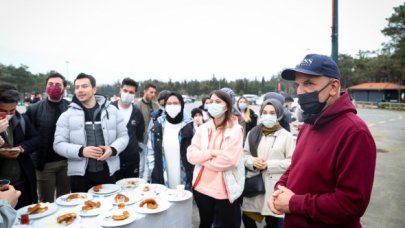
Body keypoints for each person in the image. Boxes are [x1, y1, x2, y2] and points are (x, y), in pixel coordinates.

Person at [268, 54, 376, 227]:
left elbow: (352, 204)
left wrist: (293, 203)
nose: (300, 91)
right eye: (298, 84)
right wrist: (279, 189)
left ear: (333, 87)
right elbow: (296, 166)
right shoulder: (309, 125)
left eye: (309, 83)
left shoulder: (355, 133)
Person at [53, 73, 129, 193]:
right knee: (82, 209)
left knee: (108, 208)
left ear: (94, 89)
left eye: (84, 86)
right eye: (77, 87)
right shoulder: (66, 115)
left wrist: (113, 149)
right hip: (80, 175)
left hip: (107, 171)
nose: (80, 90)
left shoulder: (112, 111)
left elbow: (124, 136)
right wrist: (81, 151)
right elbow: (58, 144)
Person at [187, 90, 245, 228]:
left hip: (225, 190)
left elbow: (230, 161)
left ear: (227, 106)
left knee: (227, 225)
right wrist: (213, 152)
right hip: (202, 188)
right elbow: (190, 155)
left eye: (218, 102)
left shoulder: (236, 130)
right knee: (205, 223)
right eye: (211, 101)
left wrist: (202, 158)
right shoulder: (203, 128)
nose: (213, 104)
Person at [241, 98, 295, 228]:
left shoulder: (286, 136)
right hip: (254, 185)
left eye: (272, 113)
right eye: (264, 112)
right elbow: (244, 155)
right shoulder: (253, 133)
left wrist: (269, 165)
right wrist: (253, 161)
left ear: (279, 114)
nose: (267, 115)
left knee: (273, 220)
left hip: (274, 187)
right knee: (248, 217)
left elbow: (292, 162)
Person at [25, 72, 70, 203]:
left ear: (63, 88)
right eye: (50, 84)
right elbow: (28, 137)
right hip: (44, 165)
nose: (54, 87)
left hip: (66, 163)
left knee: (65, 200)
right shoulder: (34, 109)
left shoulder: (71, 108)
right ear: (46, 87)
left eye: (58, 84)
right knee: (46, 203)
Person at [0, 84, 40, 209]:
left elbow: (36, 139)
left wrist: (22, 148)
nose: (7, 115)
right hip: (2, 188)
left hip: (22, 182)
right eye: (3, 111)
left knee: (26, 218)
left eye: (11, 111)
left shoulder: (21, 119)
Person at [146, 92, 194, 189]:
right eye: (169, 103)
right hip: (162, 180)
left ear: (182, 105)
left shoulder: (190, 127)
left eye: (176, 103)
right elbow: (150, 153)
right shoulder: (157, 126)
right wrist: (154, 171)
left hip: (186, 181)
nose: (172, 106)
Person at [112, 78, 145, 179]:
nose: (127, 94)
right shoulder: (109, 109)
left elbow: (139, 135)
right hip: (113, 159)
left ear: (135, 94)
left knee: (132, 190)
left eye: (131, 92)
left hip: (132, 160)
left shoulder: (137, 113)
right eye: (125, 91)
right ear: (120, 90)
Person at [136, 83, 159, 178]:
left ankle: (151, 184)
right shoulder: (137, 106)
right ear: (145, 91)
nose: (153, 94)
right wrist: (136, 142)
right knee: (141, 167)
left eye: (154, 92)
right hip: (141, 141)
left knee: (152, 166)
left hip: (154, 140)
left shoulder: (156, 106)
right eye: (151, 92)